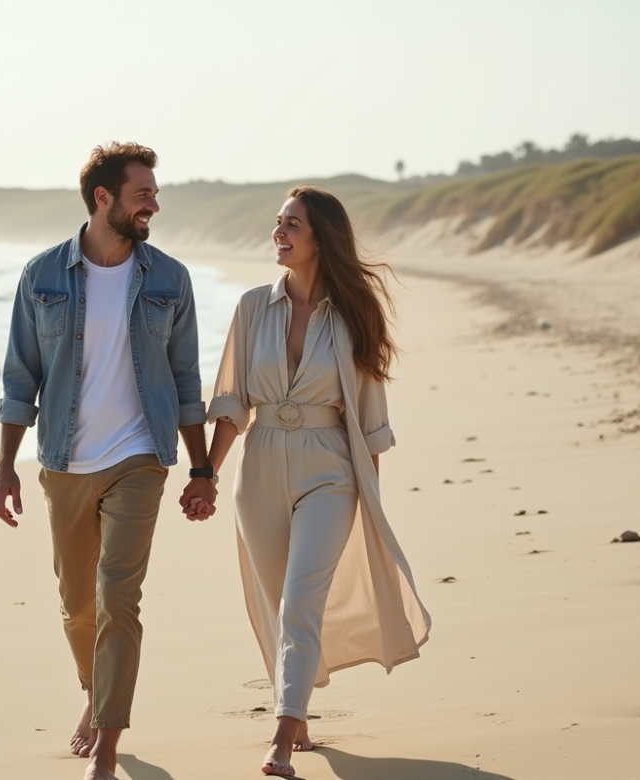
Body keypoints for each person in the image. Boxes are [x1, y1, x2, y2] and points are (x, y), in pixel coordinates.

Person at [0, 142, 217, 780]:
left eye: (153, 193)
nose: (154, 204)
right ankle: (94, 697)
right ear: (103, 198)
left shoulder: (170, 278)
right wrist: (6, 466)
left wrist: (201, 471)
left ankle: (109, 748)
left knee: (119, 597)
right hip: (63, 460)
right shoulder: (42, 276)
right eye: (144, 194)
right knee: (78, 605)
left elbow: (185, 380)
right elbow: (20, 377)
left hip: (140, 457)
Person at [193, 186, 431, 777]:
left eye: (291, 225)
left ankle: (280, 734)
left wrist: (369, 500)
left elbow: (371, 420)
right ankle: (296, 709)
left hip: (330, 467)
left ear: (320, 237)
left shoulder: (357, 315)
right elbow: (229, 402)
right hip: (261, 460)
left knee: (302, 598)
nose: (279, 233)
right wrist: (206, 475)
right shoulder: (252, 307)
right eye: (277, 223)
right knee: (279, 600)